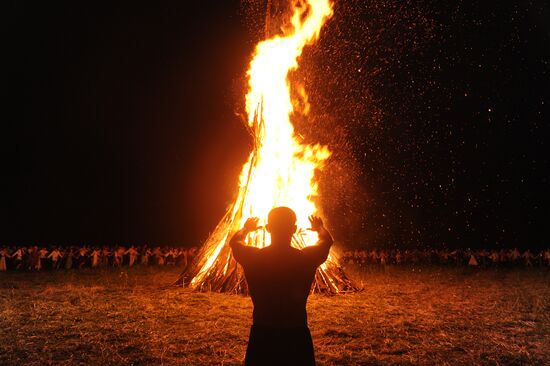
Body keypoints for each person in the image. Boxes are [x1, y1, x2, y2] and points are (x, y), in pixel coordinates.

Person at [229, 207, 333, 366]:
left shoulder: (254, 258)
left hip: (263, 332)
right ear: (294, 229)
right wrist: (319, 228)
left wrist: (246, 229)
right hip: (296, 332)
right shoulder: (305, 259)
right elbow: (326, 241)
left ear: (268, 228)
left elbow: (235, 242)